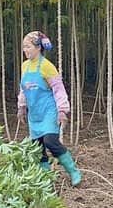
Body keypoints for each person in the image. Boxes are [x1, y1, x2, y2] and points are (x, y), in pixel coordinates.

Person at [17, 31, 82, 186]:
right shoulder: (25, 66)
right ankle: (46, 179)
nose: (25, 50)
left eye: (28, 47)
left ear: (38, 48)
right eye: (24, 47)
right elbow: (23, 89)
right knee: (37, 147)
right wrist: (21, 107)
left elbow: (59, 90)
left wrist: (62, 111)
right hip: (34, 114)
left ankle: (73, 171)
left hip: (48, 111)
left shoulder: (47, 66)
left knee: (50, 141)